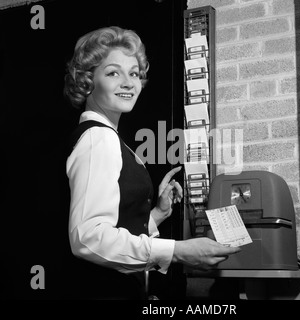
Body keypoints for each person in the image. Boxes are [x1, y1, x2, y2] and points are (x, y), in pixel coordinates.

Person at [64, 26, 241, 299]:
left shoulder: (108, 137)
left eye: (134, 73)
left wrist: (158, 212)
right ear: (88, 81)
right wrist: (179, 251)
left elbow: (118, 229)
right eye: (113, 73)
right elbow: (87, 238)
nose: (128, 82)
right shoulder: (98, 138)